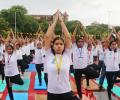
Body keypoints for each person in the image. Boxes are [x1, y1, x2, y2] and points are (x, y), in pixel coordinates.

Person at [44, 11, 77, 100]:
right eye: (56, 44)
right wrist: (55, 21)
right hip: (52, 93)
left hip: (66, 92)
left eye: (61, 44)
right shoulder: (49, 55)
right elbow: (47, 37)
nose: (59, 46)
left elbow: (68, 37)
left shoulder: (67, 54)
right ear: (53, 46)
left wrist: (61, 21)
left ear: (64, 46)